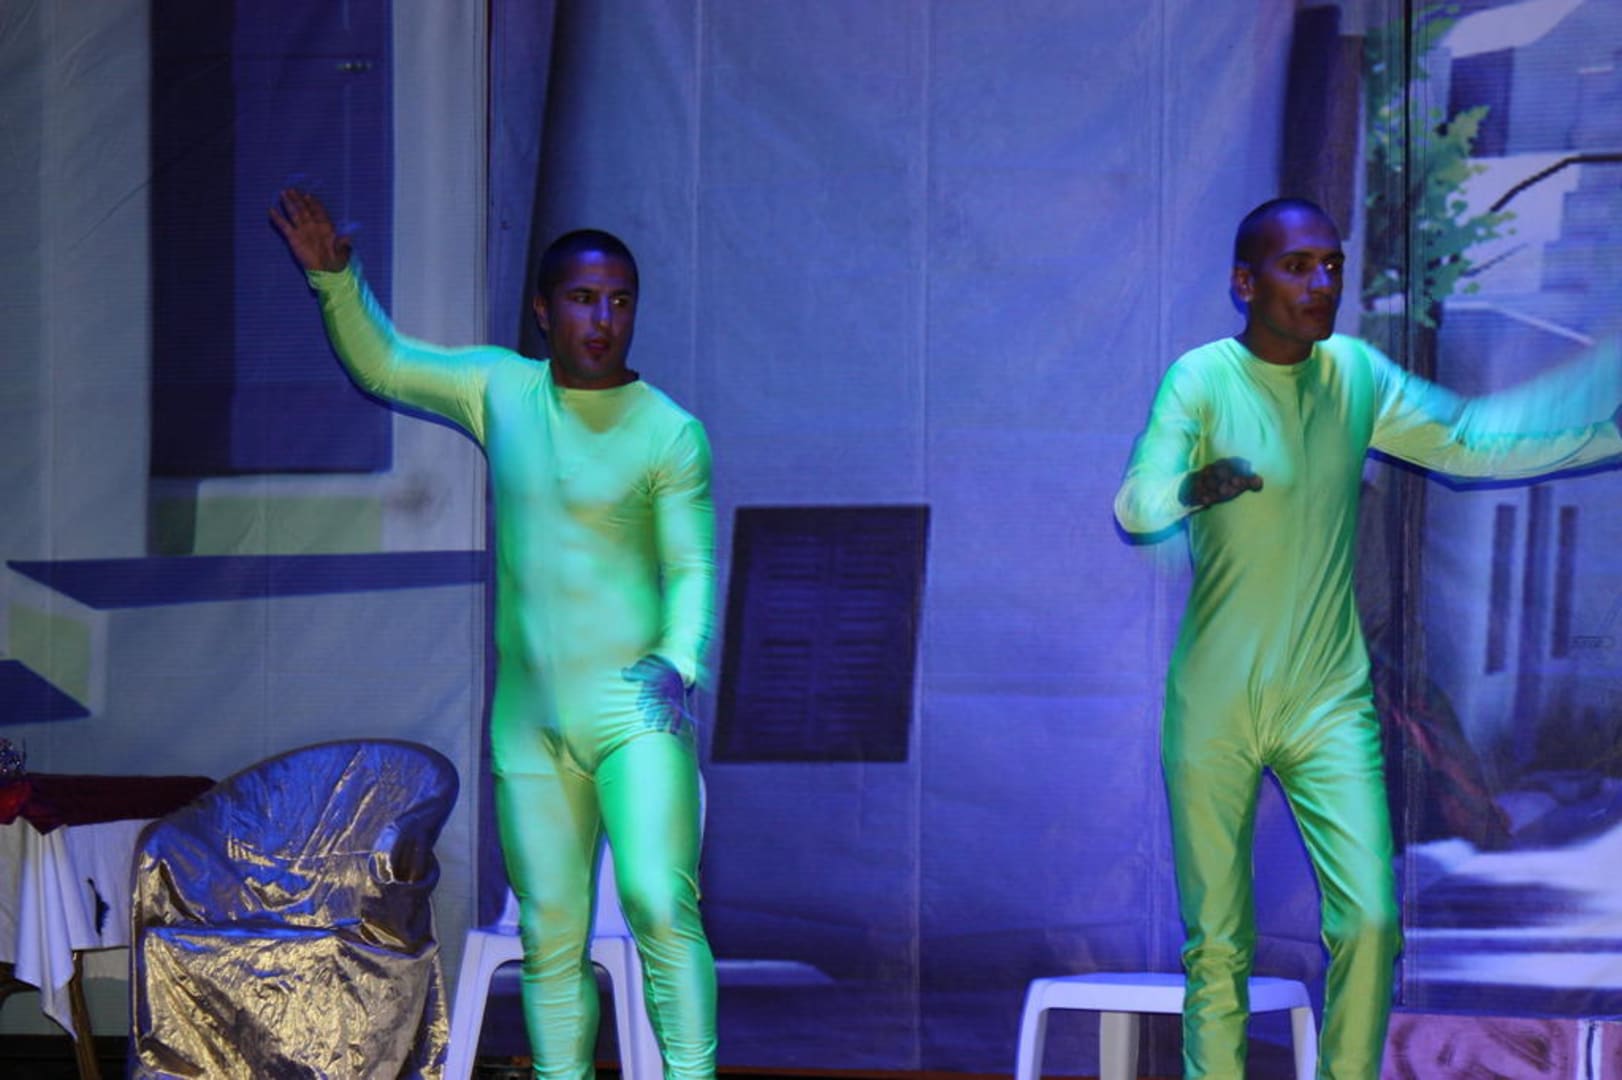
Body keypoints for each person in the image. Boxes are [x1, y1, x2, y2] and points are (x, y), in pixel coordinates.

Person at [1113, 197, 1621, 1080]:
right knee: (1218, 944)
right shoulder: (1201, 379)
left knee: (1372, 924)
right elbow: (1136, 503)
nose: (1322, 282)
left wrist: (1606, 435)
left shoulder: (1355, 375)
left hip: (1328, 700)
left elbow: (1471, 442)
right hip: (1217, 700)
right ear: (1244, 284)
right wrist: (1197, 487)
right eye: (1298, 266)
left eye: (1332, 265)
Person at [272, 189, 718, 1079]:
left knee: (659, 908)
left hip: (636, 716)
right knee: (550, 934)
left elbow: (693, 567)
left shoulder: (671, 434)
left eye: (620, 300)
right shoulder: (502, 389)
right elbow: (387, 366)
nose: (604, 319)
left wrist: (678, 660)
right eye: (584, 299)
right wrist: (335, 280)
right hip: (530, 724)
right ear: (544, 311)